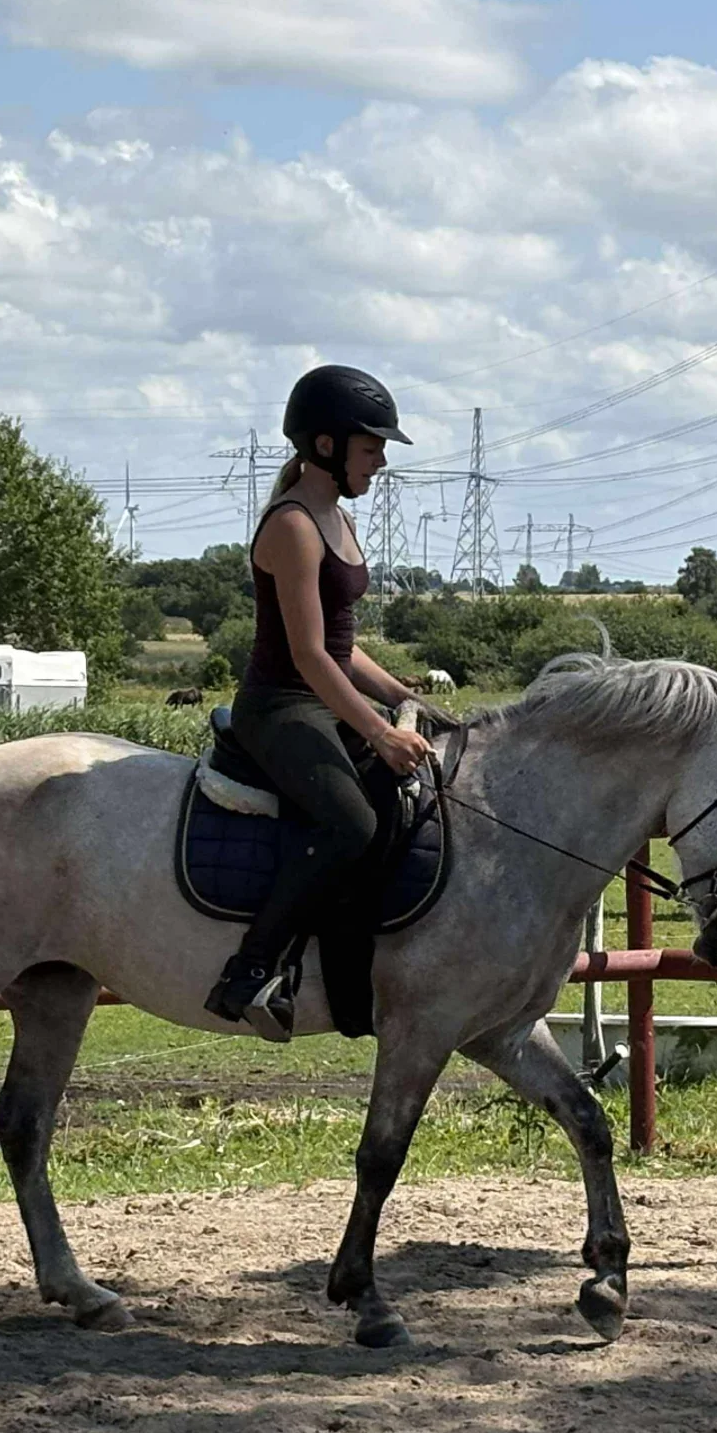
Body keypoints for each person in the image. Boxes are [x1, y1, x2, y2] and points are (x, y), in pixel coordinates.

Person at [204, 365, 432, 1040]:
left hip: (324, 700)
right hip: (280, 707)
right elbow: (308, 655)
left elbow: (343, 645)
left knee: (398, 806)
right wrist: (381, 732)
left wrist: (402, 695)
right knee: (350, 825)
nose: (382, 462)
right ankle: (250, 973)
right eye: (372, 448)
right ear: (326, 446)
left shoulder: (336, 517)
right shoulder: (295, 525)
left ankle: (352, 975)